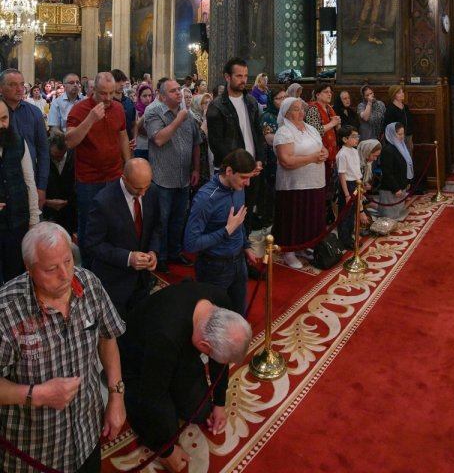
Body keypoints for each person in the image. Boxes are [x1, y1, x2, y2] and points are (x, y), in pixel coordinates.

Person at [0, 223, 125, 473]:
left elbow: (107, 337)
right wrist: (37, 395)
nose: (65, 275)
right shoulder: (7, 311)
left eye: (68, 261)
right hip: (34, 454)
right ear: (29, 268)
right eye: (51, 269)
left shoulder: (89, 284)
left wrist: (116, 395)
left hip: (87, 435)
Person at [120, 281, 251, 473]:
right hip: (137, 362)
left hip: (175, 352)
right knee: (167, 432)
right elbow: (152, 395)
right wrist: (166, 451)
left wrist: (219, 403)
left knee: (201, 412)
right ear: (205, 346)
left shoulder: (221, 303)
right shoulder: (166, 336)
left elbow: (219, 362)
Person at [82, 159, 161, 319]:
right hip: (114, 284)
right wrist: (128, 258)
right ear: (124, 179)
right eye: (138, 188)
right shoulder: (103, 202)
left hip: (142, 281)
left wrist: (153, 251)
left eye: (146, 187)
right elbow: (92, 244)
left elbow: (156, 227)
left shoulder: (151, 191)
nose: (143, 193)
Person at [66, 72, 131, 266]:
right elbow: (70, 142)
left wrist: (128, 164)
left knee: (114, 223)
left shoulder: (118, 108)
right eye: (103, 93)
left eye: (111, 93)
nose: (108, 98)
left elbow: (123, 136)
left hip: (115, 175)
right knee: (89, 225)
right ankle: (88, 267)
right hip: (89, 180)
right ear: (93, 89)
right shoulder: (79, 109)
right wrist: (90, 119)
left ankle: (109, 264)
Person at [184, 150, 260, 315]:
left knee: (239, 314)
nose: (247, 183)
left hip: (239, 262)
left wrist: (246, 245)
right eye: (244, 177)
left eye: (249, 178)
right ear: (229, 171)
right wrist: (226, 231)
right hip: (214, 268)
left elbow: (238, 221)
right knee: (214, 319)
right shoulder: (205, 198)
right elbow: (191, 244)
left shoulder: (238, 187)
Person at [144, 79, 201, 272]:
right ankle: (160, 257)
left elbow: (196, 143)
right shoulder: (154, 113)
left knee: (178, 219)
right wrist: (178, 120)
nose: (178, 93)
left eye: (179, 89)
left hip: (183, 177)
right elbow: (159, 139)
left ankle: (175, 253)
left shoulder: (188, 115)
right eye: (173, 91)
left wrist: (196, 169)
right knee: (161, 221)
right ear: (162, 96)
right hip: (162, 178)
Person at [206, 59, 267, 230]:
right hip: (233, 171)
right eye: (239, 76)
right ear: (227, 77)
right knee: (230, 215)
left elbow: (258, 134)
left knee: (247, 213)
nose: (243, 80)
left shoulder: (251, 102)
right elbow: (216, 143)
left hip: (253, 168)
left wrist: (259, 160)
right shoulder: (217, 106)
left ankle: (244, 243)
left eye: (245, 76)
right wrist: (240, 166)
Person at [272, 96, 328, 269]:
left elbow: (320, 147)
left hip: (315, 181)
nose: (301, 112)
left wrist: (324, 153)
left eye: (301, 108)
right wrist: (312, 158)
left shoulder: (310, 128)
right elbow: (286, 161)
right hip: (294, 185)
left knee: (309, 216)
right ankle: (288, 251)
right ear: (286, 113)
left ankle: (303, 246)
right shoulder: (284, 132)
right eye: (296, 109)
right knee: (293, 217)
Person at [0, 100, 38, 284]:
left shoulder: (18, 141)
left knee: (16, 277)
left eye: (4, 118)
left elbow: (29, 182)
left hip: (18, 222)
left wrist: (34, 220)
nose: (2, 125)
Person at [0, 69, 49, 213]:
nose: (19, 89)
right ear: (1, 88)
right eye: (13, 85)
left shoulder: (34, 112)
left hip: (29, 183)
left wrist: (41, 187)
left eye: (21, 84)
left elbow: (43, 152)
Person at [377, 123, 415, 220]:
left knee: (396, 215)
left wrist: (407, 182)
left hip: (400, 185)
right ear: (391, 134)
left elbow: (405, 166)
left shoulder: (401, 146)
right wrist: (396, 188)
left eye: (403, 134)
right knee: (389, 218)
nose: (402, 136)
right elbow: (387, 172)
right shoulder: (388, 150)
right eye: (399, 134)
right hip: (391, 190)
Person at [304, 82, 340, 180]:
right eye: (326, 92)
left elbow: (334, 128)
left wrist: (337, 124)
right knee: (321, 181)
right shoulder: (313, 109)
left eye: (330, 92)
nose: (329, 94)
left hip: (331, 149)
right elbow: (314, 130)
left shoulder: (329, 108)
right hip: (319, 150)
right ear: (318, 95)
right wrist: (333, 123)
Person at [42, 133, 76, 235]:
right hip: (48, 212)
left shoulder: (74, 157)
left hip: (71, 212)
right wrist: (47, 202)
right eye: (54, 156)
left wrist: (68, 202)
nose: (57, 160)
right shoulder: (43, 158)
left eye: (60, 157)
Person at [111, 70, 137, 138]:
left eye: (123, 81)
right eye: (118, 81)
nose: (122, 84)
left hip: (129, 140)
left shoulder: (129, 102)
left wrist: (134, 138)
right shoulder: (107, 103)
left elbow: (134, 124)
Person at [132, 83, 155, 160]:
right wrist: (146, 112)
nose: (148, 98)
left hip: (153, 148)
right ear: (139, 97)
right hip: (139, 148)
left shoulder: (155, 110)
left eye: (150, 95)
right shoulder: (135, 110)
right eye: (144, 96)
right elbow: (135, 127)